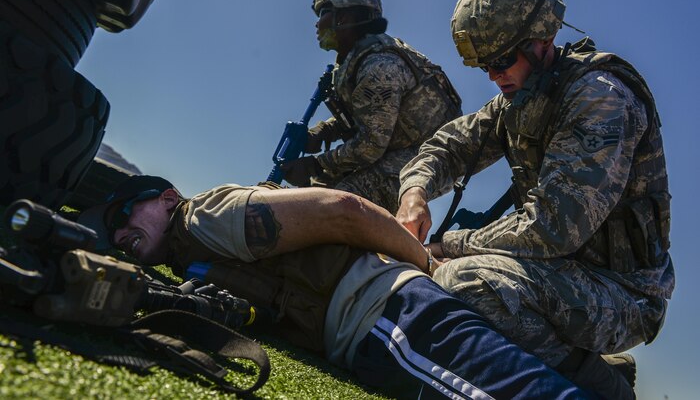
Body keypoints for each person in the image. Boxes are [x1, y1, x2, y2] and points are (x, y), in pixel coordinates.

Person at [396, 0, 673, 399]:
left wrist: (446, 246)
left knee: (465, 284)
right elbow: (447, 147)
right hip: (560, 272)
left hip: (625, 294)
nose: (493, 75)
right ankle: (585, 363)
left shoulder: (601, 99)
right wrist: (414, 195)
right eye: (484, 65)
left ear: (543, 38)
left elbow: (552, 226)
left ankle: (604, 388)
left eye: (502, 60)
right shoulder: (517, 98)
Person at [80, 174, 592, 399]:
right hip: (370, 326)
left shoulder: (202, 219)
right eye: (113, 230)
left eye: (125, 212)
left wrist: (424, 265)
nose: (121, 231)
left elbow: (344, 212)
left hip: (386, 312)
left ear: (167, 198)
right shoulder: (185, 253)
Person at [281, 0, 462, 214]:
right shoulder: (357, 59)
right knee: (310, 195)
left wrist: (317, 164)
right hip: (397, 147)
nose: (317, 24)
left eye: (323, 12)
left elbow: (370, 145)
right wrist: (324, 131)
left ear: (342, 17)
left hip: (429, 156)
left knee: (336, 204)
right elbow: (371, 113)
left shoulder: (379, 67)